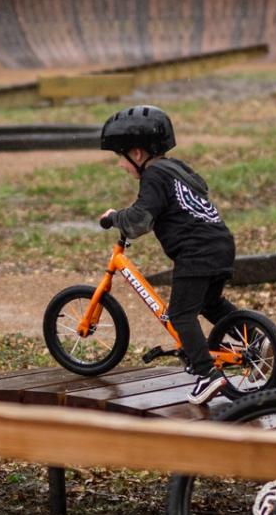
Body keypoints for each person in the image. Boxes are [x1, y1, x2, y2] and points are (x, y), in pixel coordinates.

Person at [96, 105, 238, 406]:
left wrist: (114, 217)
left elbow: (139, 220)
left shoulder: (154, 176)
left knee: (181, 314)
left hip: (196, 252)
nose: (120, 166)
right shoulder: (177, 169)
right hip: (221, 243)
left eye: (120, 159)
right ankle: (255, 339)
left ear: (136, 154)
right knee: (210, 303)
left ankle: (207, 376)